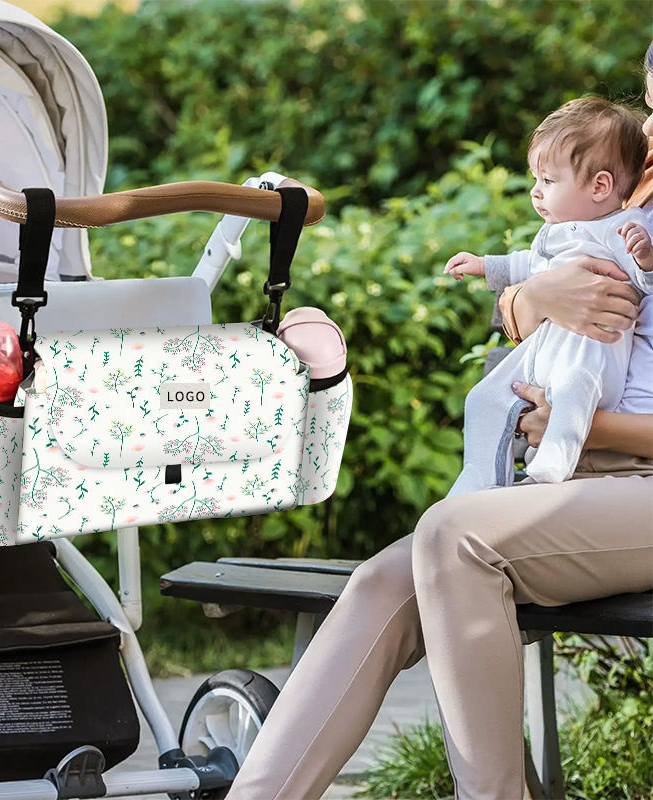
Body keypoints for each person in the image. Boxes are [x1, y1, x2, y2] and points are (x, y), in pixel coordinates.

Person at [224, 43, 653, 800]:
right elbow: (536, 309)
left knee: (453, 537)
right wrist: (535, 296)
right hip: (572, 476)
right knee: (382, 583)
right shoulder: (629, 184)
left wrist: (592, 430)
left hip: (632, 477)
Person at [443, 97, 651, 494]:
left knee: (572, 387)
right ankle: (479, 478)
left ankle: (554, 462)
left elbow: (645, 281)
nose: (535, 192)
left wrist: (645, 260)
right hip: (549, 347)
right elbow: (529, 264)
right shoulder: (558, 230)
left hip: (592, 352)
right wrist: (485, 265)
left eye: (548, 182)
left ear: (600, 186)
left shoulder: (623, 226)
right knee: (484, 398)